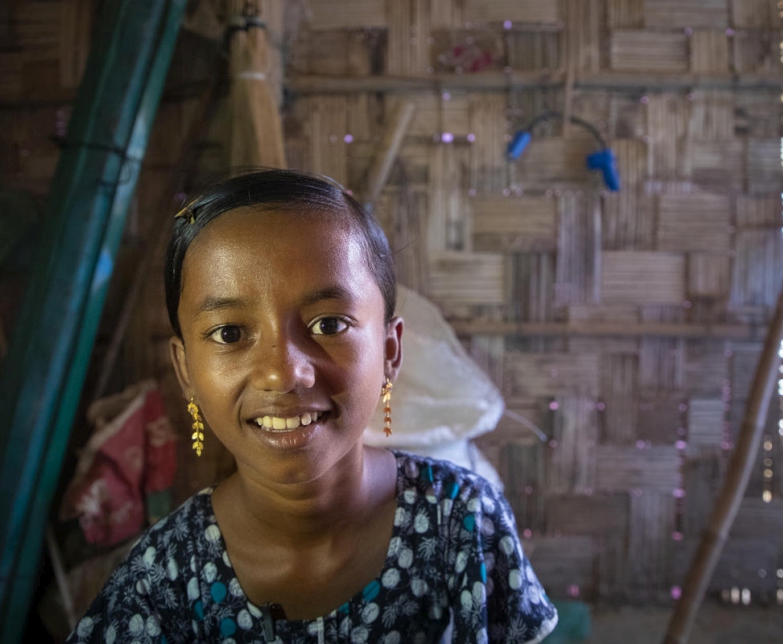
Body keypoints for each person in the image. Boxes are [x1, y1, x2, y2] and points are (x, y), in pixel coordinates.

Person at [66, 168, 558, 643]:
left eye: (329, 324)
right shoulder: (160, 581)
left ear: (389, 353)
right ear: (186, 371)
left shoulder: (466, 521)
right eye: (230, 333)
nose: (282, 372)